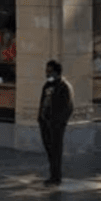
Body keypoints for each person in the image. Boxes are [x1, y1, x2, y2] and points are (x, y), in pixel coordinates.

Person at [37, 59, 74, 187]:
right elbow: (42, 103)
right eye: (46, 71)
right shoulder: (47, 86)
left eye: (49, 71)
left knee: (56, 150)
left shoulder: (64, 86)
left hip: (56, 124)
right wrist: (40, 118)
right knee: (49, 149)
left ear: (56, 72)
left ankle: (56, 176)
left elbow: (68, 107)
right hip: (45, 123)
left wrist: (59, 121)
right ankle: (53, 175)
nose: (47, 74)